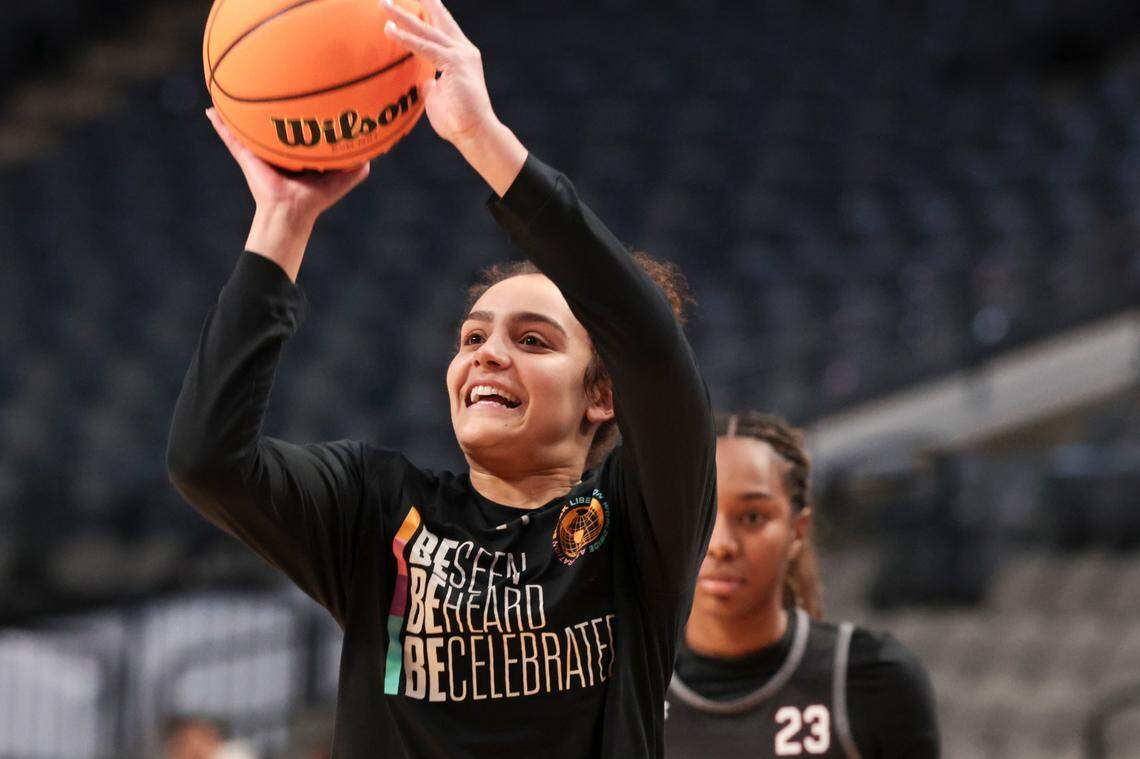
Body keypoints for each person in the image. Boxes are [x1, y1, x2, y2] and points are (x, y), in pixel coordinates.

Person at [165, 0, 715, 755]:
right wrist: (283, 222)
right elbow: (206, 461)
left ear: (602, 395)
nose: (488, 353)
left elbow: (651, 343)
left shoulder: (637, 524)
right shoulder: (376, 507)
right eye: (473, 336)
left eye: (532, 339)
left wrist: (484, 142)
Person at [664, 412, 939, 758]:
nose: (721, 545)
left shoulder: (873, 680)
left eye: (752, 517)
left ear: (797, 530)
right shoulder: (620, 688)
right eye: (701, 514)